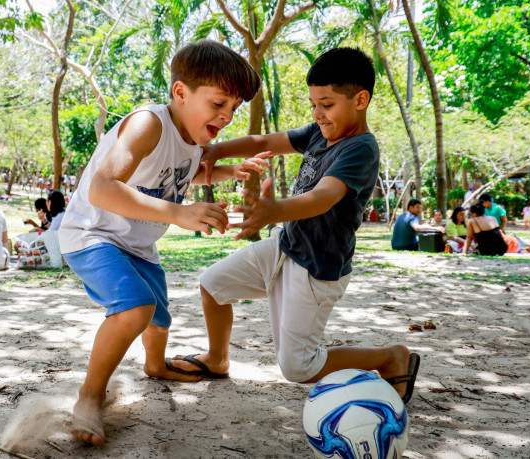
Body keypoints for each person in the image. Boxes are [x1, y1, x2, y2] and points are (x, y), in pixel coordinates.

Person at [167, 47, 420, 415]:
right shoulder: (318, 132)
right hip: (284, 246)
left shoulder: (361, 149)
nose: (317, 113)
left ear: (360, 100)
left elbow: (323, 197)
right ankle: (217, 358)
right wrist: (217, 150)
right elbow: (266, 142)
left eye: (327, 105)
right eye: (314, 104)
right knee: (213, 285)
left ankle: (390, 357)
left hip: (316, 266)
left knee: (299, 367)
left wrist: (275, 210)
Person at [57, 39, 263, 446]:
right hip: (93, 234)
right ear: (180, 92)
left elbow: (181, 173)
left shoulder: (192, 141)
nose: (227, 115)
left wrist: (228, 171)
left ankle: (155, 365)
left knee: (159, 318)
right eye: (219, 103)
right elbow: (102, 188)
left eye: (234, 108)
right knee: (137, 307)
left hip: (137, 245)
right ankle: (90, 396)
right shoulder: (147, 124)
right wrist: (179, 213)